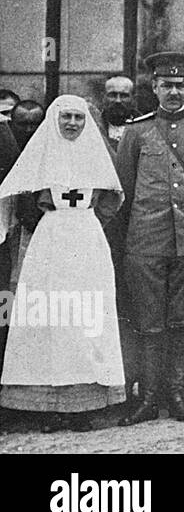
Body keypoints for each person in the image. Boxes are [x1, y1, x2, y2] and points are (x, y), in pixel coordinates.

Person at [0, 95, 125, 432]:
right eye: (66, 117)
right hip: (50, 239)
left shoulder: (97, 155)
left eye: (78, 118)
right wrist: (47, 220)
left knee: (86, 317)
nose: (72, 123)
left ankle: (84, 406)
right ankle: (51, 407)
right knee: (51, 318)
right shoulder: (40, 155)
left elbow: (113, 198)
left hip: (86, 237)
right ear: (54, 120)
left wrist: (88, 222)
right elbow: (18, 196)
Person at [114, 53, 184, 425]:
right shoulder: (137, 132)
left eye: (181, 85)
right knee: (148, 321)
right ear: (155, 88)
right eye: (167, 86)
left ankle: (177, 394)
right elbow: (123, 193)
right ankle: (149, 397)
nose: (174, 92)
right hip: (145, 241)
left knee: (182, 321)